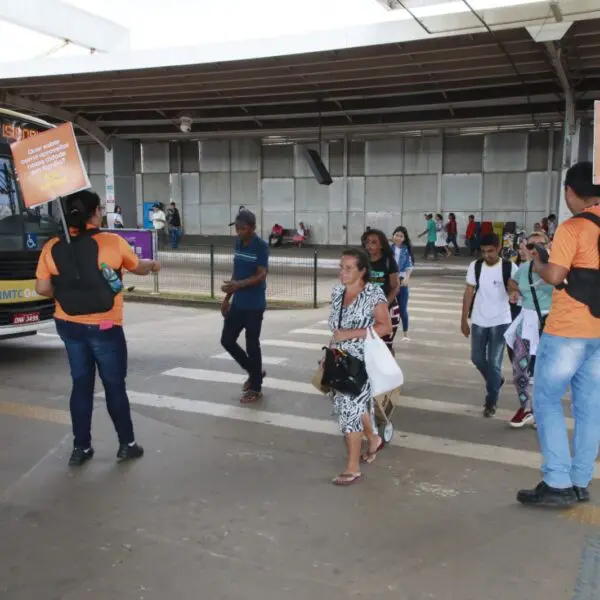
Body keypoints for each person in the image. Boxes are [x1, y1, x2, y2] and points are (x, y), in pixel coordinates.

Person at [34, 190, 160, 466]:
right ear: (96, 213)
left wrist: (68, 291)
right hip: (105, 325)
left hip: (68, 324)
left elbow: (42, 287)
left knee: (81, 385)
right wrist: (152, 265)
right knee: (114, 386)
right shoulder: (112, 242)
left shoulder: (53, 246)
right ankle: (127, 444)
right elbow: (138, 267)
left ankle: (81, 449)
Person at [518, 162, 600, 507]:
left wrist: (537, 262)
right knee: (589, 407)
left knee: (547, 400)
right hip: (599, 330)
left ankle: (557, 481)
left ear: (570, 191)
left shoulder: (574, 227)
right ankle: (580, 479)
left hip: (568, 329)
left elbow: (555, 275)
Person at [328, 248, 392, 485]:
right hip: (340, 358)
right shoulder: (337, 293)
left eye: (348, 268)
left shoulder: (373, 293)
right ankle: (373, 438)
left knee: (348, 411)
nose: (342, 272)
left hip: (362, 360)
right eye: (341, 267)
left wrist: (350, 334)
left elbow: (385, 327)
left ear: (362, 270)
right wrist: (330, 350)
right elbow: (337, 328)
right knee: (353, 404)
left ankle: (352, 467)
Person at [461, 233, 518, 417]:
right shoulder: (475, 266)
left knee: (494, 363)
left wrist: (513, 289)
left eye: (491, 251)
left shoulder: (510, 267)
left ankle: (490, 402)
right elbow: (469, 292)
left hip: (501, 321)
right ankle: (496, 380)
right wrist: (463, 320)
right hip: (479, 320)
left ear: (499, 248)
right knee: (477, 358)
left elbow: (518, 294)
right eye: (484, 251)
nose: (487, 255)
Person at [505, 232, 553, 428]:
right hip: (527, 321)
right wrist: (514, 291)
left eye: (540, 245)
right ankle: (526, 408)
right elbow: (512, 282)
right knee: (519, 368)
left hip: (551, 322)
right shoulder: (524, 268)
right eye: (531, 246)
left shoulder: (559, 267)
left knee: (547, 372)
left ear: (549, 245)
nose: (535, 250)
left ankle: (541, 411)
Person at [220, 209, 269, 404]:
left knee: (252, 344)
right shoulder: (238, 243)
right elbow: (236, 272)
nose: (238, 232)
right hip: (238, 303)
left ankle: (256, 388)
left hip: (254, 305)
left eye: (242, 228)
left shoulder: (261, 246)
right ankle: (254, 371)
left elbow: (261, 274)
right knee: (227, 340)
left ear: (253, 228)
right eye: (237, 228)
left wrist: (239, 285)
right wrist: (227, 298)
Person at [361, 228, 400, 354]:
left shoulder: (389, 261)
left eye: (373, 242)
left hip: (388, 310)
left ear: (381, 245)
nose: (369, 245)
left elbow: (395, 287)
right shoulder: (362, 262)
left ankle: (388, 372)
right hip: (367, 311)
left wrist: (383, 306)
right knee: (366, 347)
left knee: (384, 349)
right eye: (367, 242)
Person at [391, 226, 414, 342]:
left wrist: (407, 278)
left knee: (402, 309)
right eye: (396, 235)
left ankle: (405, 334)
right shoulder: (388, 250)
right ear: (393, 236)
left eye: (401, 236)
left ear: (404, 238)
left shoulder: (406, 250)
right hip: (390, 282)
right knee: (388, 308)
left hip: (402, 281)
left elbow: (409, 266)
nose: (398, 238)